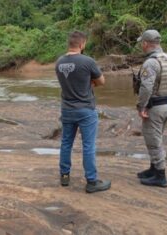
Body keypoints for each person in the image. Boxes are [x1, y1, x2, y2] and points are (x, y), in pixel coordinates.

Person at [55, 30, 111, 193]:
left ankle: (64, 176)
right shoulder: (88, 61)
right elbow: (101, 81)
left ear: (69, 44)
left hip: (67, 109)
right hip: (85, 109)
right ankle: (91, 181)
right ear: (82, 44)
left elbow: (67, 82)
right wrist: (90, 82)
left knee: (66, 143)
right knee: (88, 146)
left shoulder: (59, 62)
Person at [136, 29, 167, 187]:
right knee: (156, 138)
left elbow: (146, 87)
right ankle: (153, 169)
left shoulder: (151, 62)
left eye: (142, 43)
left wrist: (141, 106)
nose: (142, 45)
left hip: (155, 107)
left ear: (146, 44)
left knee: (154, 142)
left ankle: (160, 176)